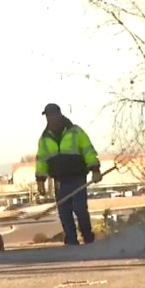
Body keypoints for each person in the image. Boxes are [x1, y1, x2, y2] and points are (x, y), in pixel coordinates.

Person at [35, 103, 102, 245]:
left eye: (52, 115)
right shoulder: (45, 139)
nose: (50, 119)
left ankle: (88, 237)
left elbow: (88, 151)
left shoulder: (75, 132)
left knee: (80, 210)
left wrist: (95, 169)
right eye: (48, 116)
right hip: (60, 181)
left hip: (77, 177)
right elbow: (41, 161)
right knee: (64, 212)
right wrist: (40, 181)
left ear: (59, 115)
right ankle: (71, 240)